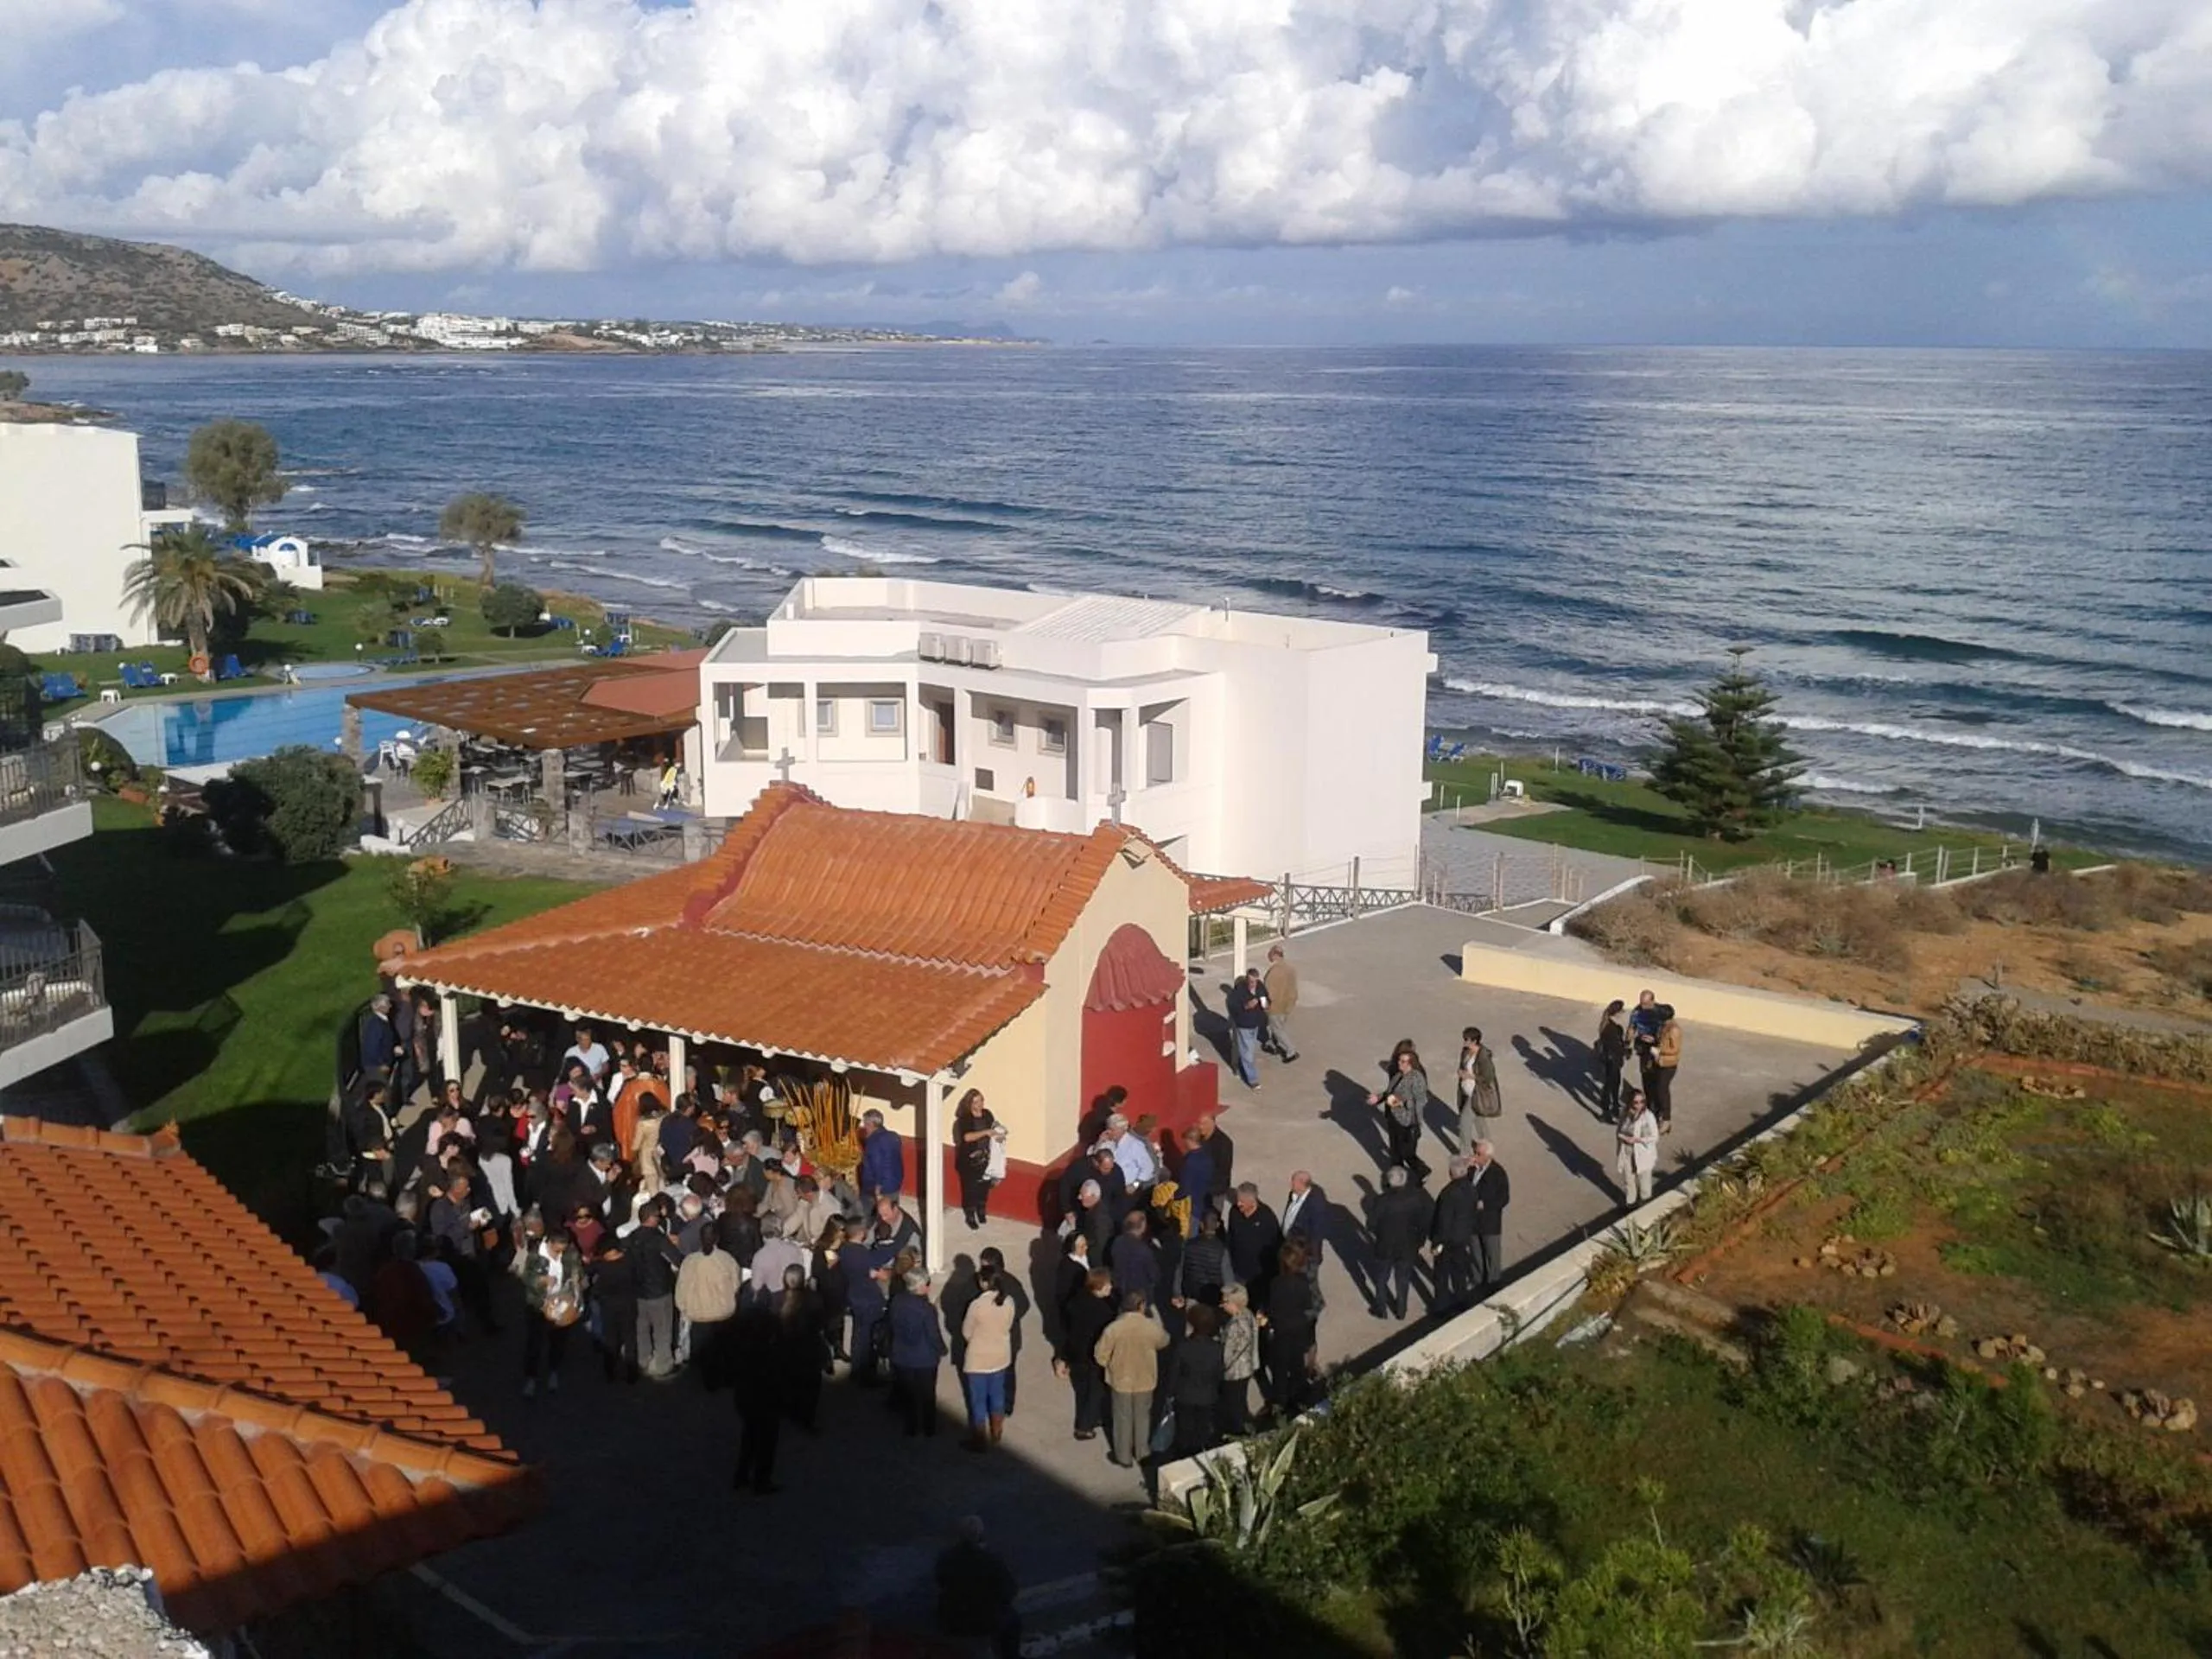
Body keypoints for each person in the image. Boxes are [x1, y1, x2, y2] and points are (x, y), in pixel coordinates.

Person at [1094, 1293, 1168, 1468]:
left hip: (1121, 1380)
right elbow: (1164, 1341)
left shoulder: (1114, 1328)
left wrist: (1110, 1365)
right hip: (1145, 1378)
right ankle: (1142, 1452)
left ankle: (1123, 1456)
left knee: (1122, 1418)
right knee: (1143, 1417)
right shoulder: (1150, 1326)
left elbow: (1100, 1354)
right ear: (1141, 1306)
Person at [934, 1516, 1020, 1659]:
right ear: (980, 1536)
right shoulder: (991, 1560)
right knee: (1013, 1620)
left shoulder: (946, 1559)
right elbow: (1010, 1590)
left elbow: (940, 1581)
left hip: (951, 1620)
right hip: (982, 1621)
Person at [729, 1296, 785, 1495]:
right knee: (767, 1439)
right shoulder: (772, 1343)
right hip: (767, 1395)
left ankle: (741, 1475)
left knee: (750, 1435)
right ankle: (761, 1479)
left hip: (746, 1395)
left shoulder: (742, 1341)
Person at [676, 1221, 741, 1388]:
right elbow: (736, 1285)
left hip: (698, 1315)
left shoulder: (690, 1261)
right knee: (722, 1348)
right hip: (722, 1313)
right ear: (717, 1238)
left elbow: (681, 1288)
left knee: (700, 1351)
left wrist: (683, 1308)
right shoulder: (727, 1260)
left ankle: (704, 1379)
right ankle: (722, 1377)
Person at [960, 1261, 1018, 1451]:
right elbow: (1009, 1325)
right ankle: (997, 1431)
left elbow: (966, 1331)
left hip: (978, 1358)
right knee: (997, 1393)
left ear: (984, 1283)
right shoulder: (1008, 1301)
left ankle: (979, 1438)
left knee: (978, 1398)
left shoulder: (977, 1305)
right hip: (1000, 1355)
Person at [1260, 1237, 1320, 1416]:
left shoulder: (1276, 1284)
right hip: (1299, 1331)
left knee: (1279, 1372)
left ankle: (1280, 1405)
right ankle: (1301, 1400)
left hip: (1281, 1334)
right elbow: (1307, 1305)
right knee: (1297, 1368)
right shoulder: (1303, 1283)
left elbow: (1272, 1308)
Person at [518, 1226, 581, 1396]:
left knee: (558, 1341)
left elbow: (576, 1272)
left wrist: (576, 1283)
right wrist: (541, 1280)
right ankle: (531, 1378)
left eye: (563, 1247)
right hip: (538, 1305)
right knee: (534, 1343)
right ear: (549, 1242)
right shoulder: (535, 1255)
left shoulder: (570, 1254)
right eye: (557, 1248)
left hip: (562, 1304)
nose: (560, 1251)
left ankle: (553, 1371)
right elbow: (524, 1276)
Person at [1056, 1267, 1116, 1441]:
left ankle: (1087, 1417)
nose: (1110, 1287)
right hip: (1092, 1356)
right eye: (1107, 1284)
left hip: (1076, 1353)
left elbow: (1071, 1332)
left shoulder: (1077, 1301)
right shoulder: (1103, 1311)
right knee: (1095, 1391)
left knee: (1082, 1389)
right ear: (1098, 1287)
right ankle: (1084, 1427)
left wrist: (1064, 1356)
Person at [1368, 1164, 1433, 1320]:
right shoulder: (1416, 1199)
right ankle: (1401, 1310)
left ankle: (1381, 1308)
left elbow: (1371, 1224)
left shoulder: (1381, 1201)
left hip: (1385, 1246)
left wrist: (1380, 1235)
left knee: (1381, 1278)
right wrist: (1419, 1241)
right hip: (1408, 1246)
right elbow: (1424, 1223)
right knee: (1403, 1279)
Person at [627, 1200, 684, 1380]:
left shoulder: (630, 1237)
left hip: (637, 1290)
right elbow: (678, 1260)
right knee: (662, 1329)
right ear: (652, 1218)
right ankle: (662, 1364)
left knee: (641, 1328)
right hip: (659, 1290)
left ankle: (643, 1359)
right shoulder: (658, 1239)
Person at [889, 1268, 948, 1436]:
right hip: (925, 1358)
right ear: (921, 1287)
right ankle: (929, 1427)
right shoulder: (927, 1309)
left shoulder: (897, 1301)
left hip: (902, 1355)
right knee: (927, 1393)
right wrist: (942, 1349)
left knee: (908, 1393)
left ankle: (911, 1426)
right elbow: (933, 1334)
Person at [1165, 1302, 1226, 1456]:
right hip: (1208, 1396)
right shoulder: (1217, 1348)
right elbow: (1219, 1374)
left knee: (1183, 1432)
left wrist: (1169, 1393)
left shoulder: (1183, 1347)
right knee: (1202, 1432)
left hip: (1184, 1396)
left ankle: (1183, 1457)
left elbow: (1174, 1374)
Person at [1369, 1045, 1431, 1178]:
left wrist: (1402, 1102)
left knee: (1407, 1153)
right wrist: (1378, 1098)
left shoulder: (1417, 1078)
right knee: (1395, 1153)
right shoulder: (1398, 1075)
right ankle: (1397, 1180)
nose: (1399, 1063)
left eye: (1403, 1061)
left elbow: (1421, 1100)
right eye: (1399, 1060)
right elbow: (1389, 1093)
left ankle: (1422, 1171)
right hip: (1393, 1118)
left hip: (1407, 1121)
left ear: (1411, 1064)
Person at [1429, 1155, 1478, 1313]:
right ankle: (1462, 1302)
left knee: (1441, 1275)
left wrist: (1437, 1243)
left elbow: (1443, 1221)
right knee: (1459, 1272)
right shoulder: (1471, 1189)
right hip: (1463, 1236)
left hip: (1448, 1240)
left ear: (1451, 1173)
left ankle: (1442, 1306)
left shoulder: (1448, 1193)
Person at [1224, 1185, 1283, 1306]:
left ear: (1252, 1201)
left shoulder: (1267, 1218)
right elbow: (1230, 1238)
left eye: (1242, 1202)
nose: (1238, 1204)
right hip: (1238, 1273)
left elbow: (1276, 1246)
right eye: (1238, 1200)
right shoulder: (1234, 1212)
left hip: (1258, 1276)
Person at [1467, 1139, 1511, 1288]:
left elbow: (1504, 1198)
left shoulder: (1498, 1173)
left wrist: (1485, 1205)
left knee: (1492, 1255)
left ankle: (1494, 1284)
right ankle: (1477, 1280)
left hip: (1489, 1222)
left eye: (1478, 1154)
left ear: (1488, 1156)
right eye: (1475, 1152)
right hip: (1473, 1221)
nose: (1475, 1156)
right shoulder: (1472, 1169)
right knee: (1476, 1253)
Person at [1218, 1282, 1262, 1436]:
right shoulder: (1248, 1314)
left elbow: (1228, 1355)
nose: (1222, 1305)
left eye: (1225, 1302)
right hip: (1247, 1367)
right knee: (1241, 1403)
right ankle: (1248, 1429)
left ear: (1235, 1304)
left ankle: (1240, 1435)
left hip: (1235, 1372)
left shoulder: (1236, 1325)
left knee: (1234, 1407)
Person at [953, 1089, 999, 1229]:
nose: (980, 1104)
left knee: (984, 1187)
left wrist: (999, 1131)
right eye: (976, 1102)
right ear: (970, 1104)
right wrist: (985, 1132)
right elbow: (967, 1137)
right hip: (969, 1161)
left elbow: (993, 1126)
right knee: (970, 1189)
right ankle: (970, 1215)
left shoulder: (987, 1114)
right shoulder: (965, 1119)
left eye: (981, 1100)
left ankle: (981, 1211)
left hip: (985, 1158)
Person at [1455, 1027, 1502, 1153]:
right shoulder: (1465, 1051)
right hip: (1467, 1091)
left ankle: (1464, 1153)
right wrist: (1461, 1072)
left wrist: (1470, 1076)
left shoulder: (1483, 1056)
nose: (1464, 1042)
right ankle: (1487, 1145)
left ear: (1475, 1041)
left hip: (1477, 1093)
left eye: (1467, 1039)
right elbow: (1463, 1066)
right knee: (1479, 1118)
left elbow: (1488, 1077)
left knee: (1465, 1122)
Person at [1224, 967, 1269, 1089]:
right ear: (1246, 980)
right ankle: (1253, 1080)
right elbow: (1233, 1009)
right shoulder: (1238, 993)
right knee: (1247, 1053)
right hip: (1244, 1025)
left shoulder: (1260, 986)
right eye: (1251, 982)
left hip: (1256, 1024)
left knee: (1247, 1049)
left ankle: (1238, 1066)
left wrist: (1266, 1004)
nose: (1253, 984)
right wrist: (1246, 1006)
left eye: (1255, 981)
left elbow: (1266, 997)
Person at [1110, 1209, 1160, 1310]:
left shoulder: (1117, 1242)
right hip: (1140, 1299)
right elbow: (1154, 1275)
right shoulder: (1144, 1250)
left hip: (1121, 1294)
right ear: (1142, 1226)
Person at [1617, 1090, 1659, 1205]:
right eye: (1636, 1102)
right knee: (1629, 1181)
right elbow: (1619, 1131)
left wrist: (1639, 1140)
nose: (1639, 1105)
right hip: (1627, 1152)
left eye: (1642, 1101)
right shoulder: (1625, 1114)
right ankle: (1630, 1204)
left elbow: (1655, 1137)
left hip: (1643, 1153)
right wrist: (1621, 1143)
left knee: (1644, 1182)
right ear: (1630, 1102)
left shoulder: (1648, 1116)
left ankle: (1645, 1205)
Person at [1262, 944, 1301, 1062]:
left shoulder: (1273, 973)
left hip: (1275, 1007)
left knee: (1277, 1029)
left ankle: (1291, 1051)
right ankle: (1272, 1045)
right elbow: (1293, 988)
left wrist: (1264, 1007)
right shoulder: (1290, 969)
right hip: (1287, 1005)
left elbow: (1267, 993)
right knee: (1279, 1026)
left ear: (1274, 955)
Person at [858, 1109, 905, 1202]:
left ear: (871, 1124)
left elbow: (877, 1165)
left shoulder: (873, 1142)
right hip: (895, 1183)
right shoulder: (894, 1136)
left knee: (874, 1213)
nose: (865, 1127)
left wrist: (878, 1186)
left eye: (865, 1124)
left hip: (878, 1188)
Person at [1596, 999, 1630, 1121]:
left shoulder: (1607, 1025)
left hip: (1609, 1059)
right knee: (1610, 1085)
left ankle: (1615, 1106)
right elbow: (1616, 1047)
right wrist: (1626, 1051)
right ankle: (1606, 1111)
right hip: (1613, 1060)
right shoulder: (1613, 1029)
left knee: (1614, 1084)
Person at [1649, 1007, 1682, 1133]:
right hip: (1660, 1061)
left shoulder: (1674, 1030)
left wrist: (1659, 1051)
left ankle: (1666, 1120)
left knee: (1662, 1090)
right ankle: (1660, 1115)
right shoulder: (1664, 1026)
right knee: (1658, 1088)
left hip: (1669, 1063)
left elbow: (1675, 1049)